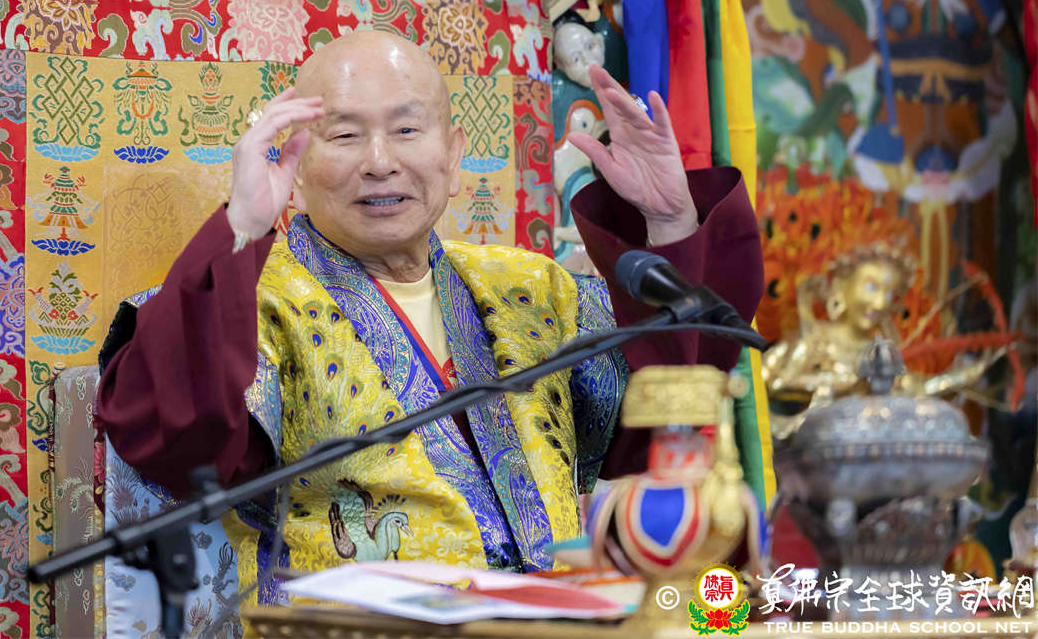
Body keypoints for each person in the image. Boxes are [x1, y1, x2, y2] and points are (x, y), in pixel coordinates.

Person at [97, 30, 763, 596]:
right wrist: (242, 226)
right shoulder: (249, 302)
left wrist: (670, 223)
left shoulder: (532, 289)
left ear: (453, 152)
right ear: (294, 165)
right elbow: (177, 447)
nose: (379, 162)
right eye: (345, 134)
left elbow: (666, 413)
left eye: (407, 129)